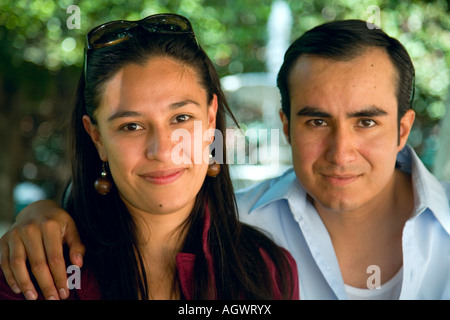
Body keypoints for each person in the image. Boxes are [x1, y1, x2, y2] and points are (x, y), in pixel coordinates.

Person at [2, 18, 449, 300]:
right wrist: (42, 215)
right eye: (131, 126)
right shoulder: (43, 270)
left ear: (404, 129)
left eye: (366, 122)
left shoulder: (258, 259)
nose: (341, 151)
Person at [0, 13, 299, 300]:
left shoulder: (268, 271)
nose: (162, 150)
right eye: (131, 126)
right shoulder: (32, 275)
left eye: (181, 118)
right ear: (97, 138)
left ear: (210, 121)